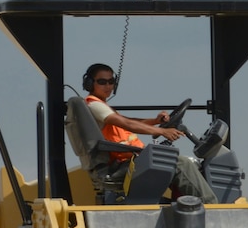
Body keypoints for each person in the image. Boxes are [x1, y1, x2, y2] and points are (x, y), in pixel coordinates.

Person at [81, 63, 215, 200]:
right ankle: (213, 208)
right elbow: (127, 124)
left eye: (111, 82)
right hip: (124, 165)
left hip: (129, 161)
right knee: (181, 163)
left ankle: (187, 207)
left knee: (176, 162)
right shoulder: (94, 104)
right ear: (90, 83)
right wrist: (162, 131)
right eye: (102, 82)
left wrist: (155, 121)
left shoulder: (101, 106)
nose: (108, 86)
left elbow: (128, 121)